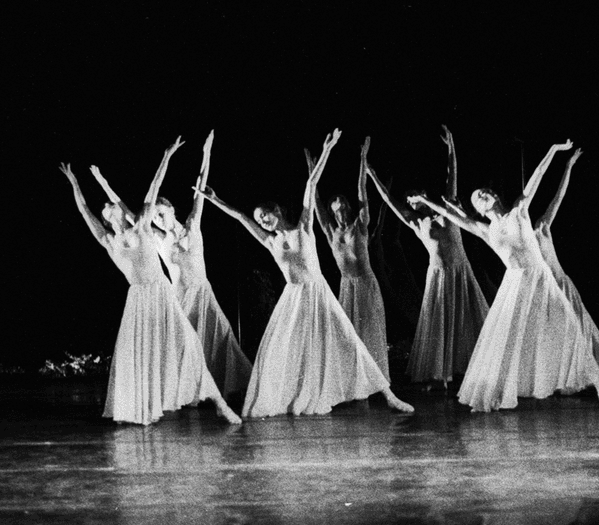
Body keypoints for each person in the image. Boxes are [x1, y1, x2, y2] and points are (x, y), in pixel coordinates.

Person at [199, 129, 414, 417]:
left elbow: (311, 185)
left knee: (349, 340)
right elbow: (239, 216)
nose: (263, 220)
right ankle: (287, 396)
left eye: (265, 214)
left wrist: (327, 150)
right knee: (283, 350)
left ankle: (388, 396)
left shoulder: (302, 225)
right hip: (294, 297)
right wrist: (214, 200)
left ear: (276, 210)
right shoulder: (269, 240)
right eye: (260, 218)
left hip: (318, 291)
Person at [408, 140, 599, 412]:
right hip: (516, 285)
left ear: (496, 196)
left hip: (543, 279)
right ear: (479, 208)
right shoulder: (485, 229)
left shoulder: (518, 210)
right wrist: (426, 201)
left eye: (486, 190)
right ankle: (492, 395)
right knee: (507, 342)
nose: (484, 193)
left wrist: (554, 150)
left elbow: (538, 175)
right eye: (479, 196)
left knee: (574, 333)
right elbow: (456, 216)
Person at [60, 139, 240, 426]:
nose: (110, 207)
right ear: (108, 219)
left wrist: (167, 156)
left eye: (112, 206)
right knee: (141, 353)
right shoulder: (109, 240)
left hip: (163, 292)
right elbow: (84, 211)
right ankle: (140, 408)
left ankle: (219, 403)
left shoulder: (143, 227)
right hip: (138, 298)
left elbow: (154, 187)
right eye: (107, 209)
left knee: (190, 345)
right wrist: (74, 182)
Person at [365, 125, 489, 390]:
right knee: (440, 325)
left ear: (423, 195)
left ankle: (476, 372)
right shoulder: (415, 223)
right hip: (438, 275)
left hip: (460, 272)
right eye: (408, 200)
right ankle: (441, 376)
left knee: (468, 322)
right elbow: (389, 201)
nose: (410, 202)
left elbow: (451, 179)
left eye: (413, 196)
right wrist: (371, 174)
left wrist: (451, 148)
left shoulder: (446, 211)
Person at [146, 130, 252, 402]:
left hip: (203, 293)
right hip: (181, 298)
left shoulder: (193, 224)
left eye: (161, 213)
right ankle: (185, 392)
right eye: (155, 216)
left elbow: (200, 188)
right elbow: (145, 209)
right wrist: (166, 158)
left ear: (171, 210)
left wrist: (207, 153)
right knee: (183, 345)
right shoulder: (158, 239)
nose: (158, 219)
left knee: (221, 339)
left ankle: (225, 389)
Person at [534, 147, 599, 401]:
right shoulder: (516, 241)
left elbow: (556, 199)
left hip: (561, 285)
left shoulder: (540, 228)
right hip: (543, 294)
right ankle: (574, 382)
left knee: (589, 334)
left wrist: (568, 166)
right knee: (561, 339)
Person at [318, 137, 390, 381]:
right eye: (335, 209)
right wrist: (312, 173)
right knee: (348, 333)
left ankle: (375, 381)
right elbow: (315, 204)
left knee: (370, 331)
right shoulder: (331, 232)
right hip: (346, 285)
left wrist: (362, 160)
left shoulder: (359, 225)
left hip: (366, 282)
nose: (340, 212)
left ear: (348, 208)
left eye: (343, 208)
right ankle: (352, 380)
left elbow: (362, 194)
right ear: (331, 212)